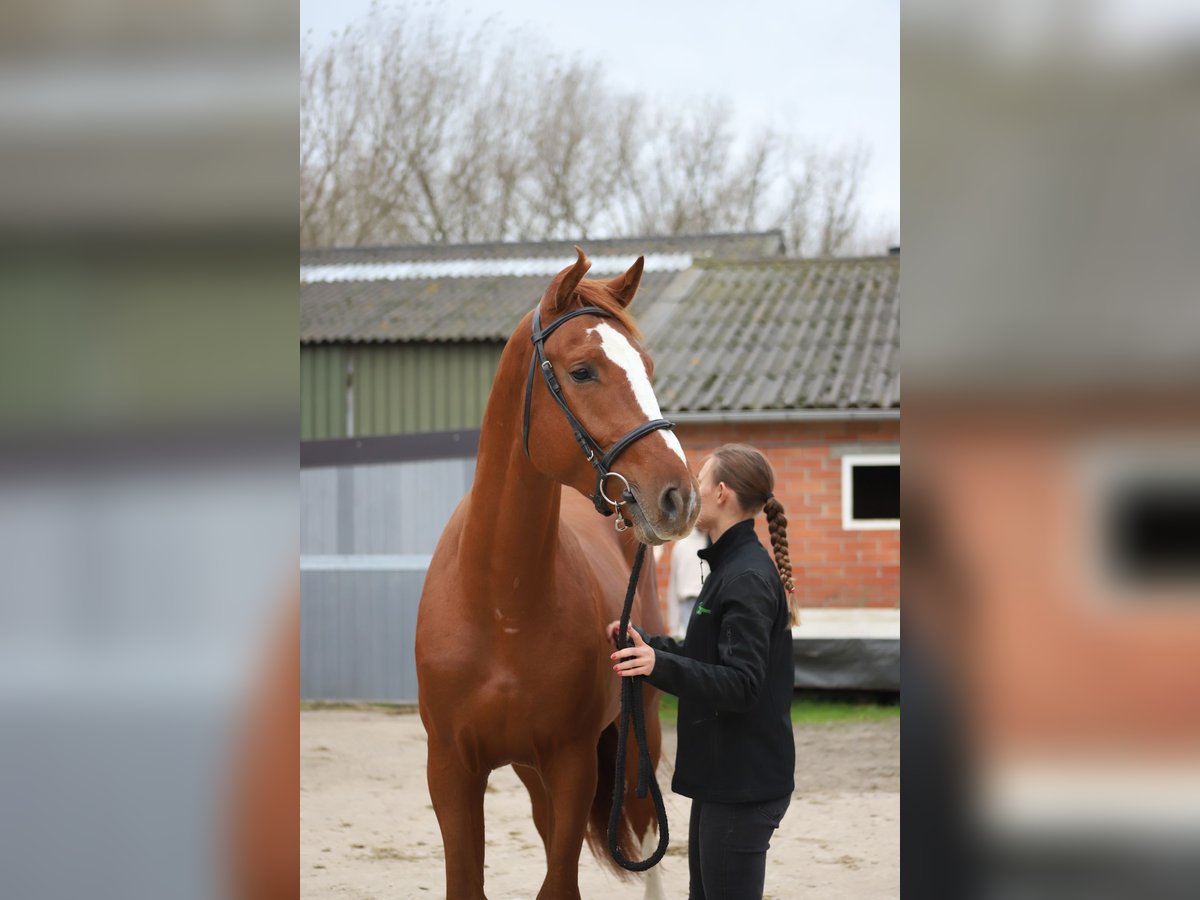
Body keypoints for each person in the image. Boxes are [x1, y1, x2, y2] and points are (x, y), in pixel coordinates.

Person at [608, 443, 798, 900]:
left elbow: (742, 684)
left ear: (722, 494)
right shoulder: (729, 567)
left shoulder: (745, 578)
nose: (691, 488)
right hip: (726, 778)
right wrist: (648, 647)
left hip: (742, 783)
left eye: (701, 479)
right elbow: (706, 654)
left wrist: (658, 665)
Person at [666, 526, 710, 637]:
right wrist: (673, 628)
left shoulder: (716, 542)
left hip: (710, 603)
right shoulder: (682, 545)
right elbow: (673, 586)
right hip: (687, 606)